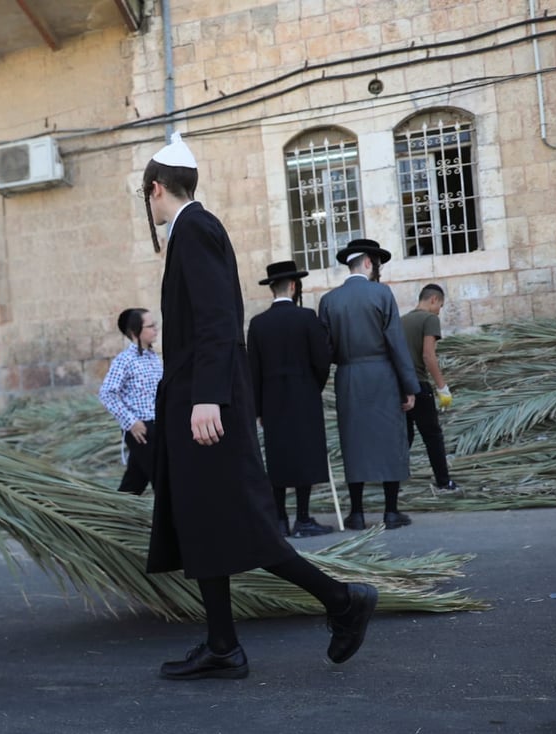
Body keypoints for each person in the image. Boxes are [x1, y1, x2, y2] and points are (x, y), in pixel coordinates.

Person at [140, 133, 378, 680]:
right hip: (200, 399)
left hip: (204, 402)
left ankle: (343, 601)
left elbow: (217, 319)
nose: (147, 206)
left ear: (156, 188)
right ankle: (223, 644)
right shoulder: (195, 228)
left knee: (241, 520)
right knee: (205, 521)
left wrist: (205, 398)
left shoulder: (193, 228)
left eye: (145, 195)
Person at [318, 239, 420, 530]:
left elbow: (325, 349)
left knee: (354, 442)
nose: (378, 269)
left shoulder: (329, 301)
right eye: (376, 263)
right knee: (390, 439)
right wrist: (409, 386)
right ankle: (390, 511)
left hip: (348, 376)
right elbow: (396, 344)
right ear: (366, 262)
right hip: (383, 374)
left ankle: (357, 513)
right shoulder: (382, 294)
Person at [246, 261, 334, 538]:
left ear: (272, 288)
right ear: (294, 286)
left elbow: (253, 371)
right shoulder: (307, 318)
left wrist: (258, 407)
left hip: (272, 400)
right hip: (304, 395)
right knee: (305, 455)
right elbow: (322, 361)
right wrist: (313, 386)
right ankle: (304, 518)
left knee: (279, 456)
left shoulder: (258, 324)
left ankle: (280, 519)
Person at [402, 284, 460, 493]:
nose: (439, 311)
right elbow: (428, 355)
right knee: (433, 436)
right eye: (440, 306)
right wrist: (442, 386)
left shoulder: (402, 320)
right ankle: (444, 482)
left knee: (404, 435)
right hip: (418, 384)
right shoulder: (430, 319)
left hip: (400, 386)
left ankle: (394, 479)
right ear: (434, 299)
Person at [98, 308, 162, 495]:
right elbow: (107, 393)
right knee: (164, 480)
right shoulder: (124, 360)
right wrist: (131, 422)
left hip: (157, 427)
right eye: (150, 326)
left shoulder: (153, 358)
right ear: (135, 332)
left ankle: (117, 518)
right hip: (140, 430)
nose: (155, 329)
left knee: (133, 483)